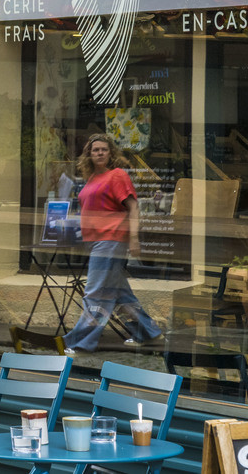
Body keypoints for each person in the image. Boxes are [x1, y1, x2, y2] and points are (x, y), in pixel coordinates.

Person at [63, 133, 163, 351]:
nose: (99, 153)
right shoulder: (91, 179)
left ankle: (80, 343)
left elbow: (133, 207)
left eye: (104, 149)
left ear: (111, 153)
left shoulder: (117, 176)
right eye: (95, 149)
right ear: (88, 154)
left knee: (96, 293)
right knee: (120, 294)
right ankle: (150, 334)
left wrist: (134, 238)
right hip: (96, 242)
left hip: (111, 240)